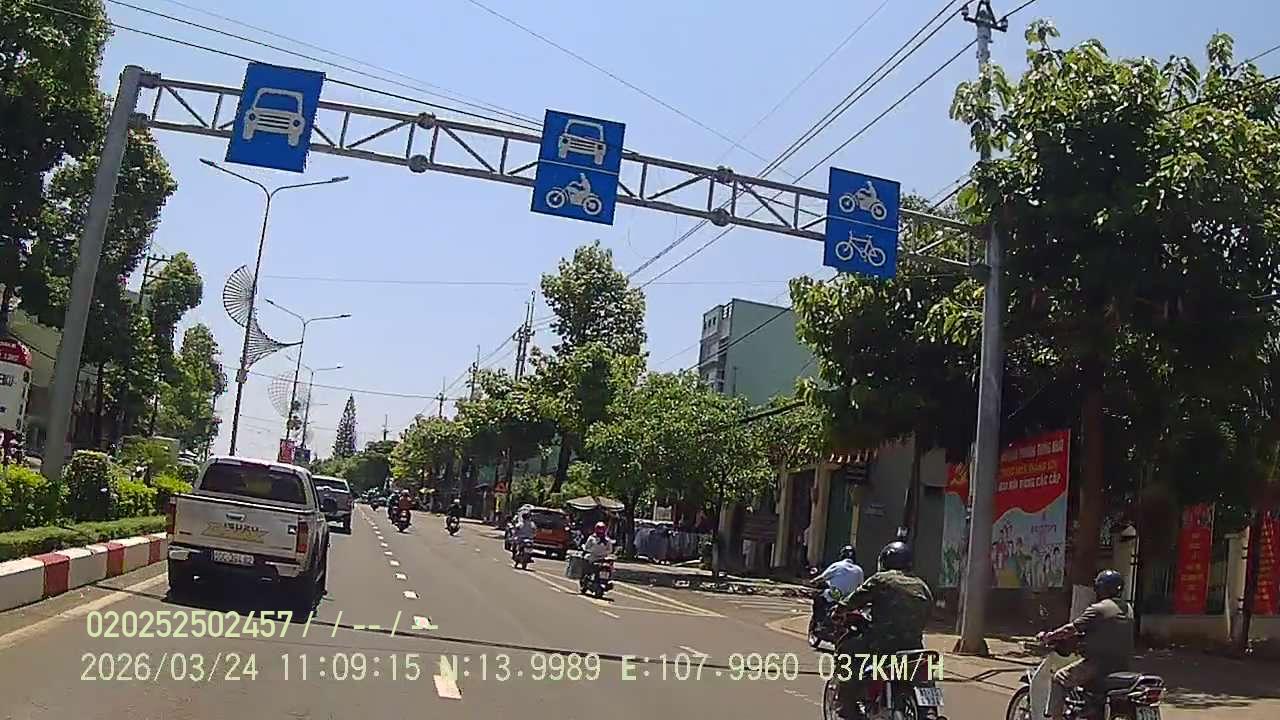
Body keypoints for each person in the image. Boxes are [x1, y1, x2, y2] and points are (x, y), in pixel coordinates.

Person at [833, 540, 933, 718]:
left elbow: (853, 600)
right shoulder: (922, 585)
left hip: (882, 644)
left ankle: (846, 707)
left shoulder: (881, 579)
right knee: (924, 675)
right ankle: (930, 710)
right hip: (914, 646)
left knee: (847, 652)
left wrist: (838, 611)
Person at [1041, 570, 1134, 720]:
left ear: (1100, 589)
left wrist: (1049, 636)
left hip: (1097, 665)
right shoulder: (1128, 609)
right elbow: (1109, 631)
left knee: (1059, 678)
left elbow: (1069, 629)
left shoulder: (1098, 609)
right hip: (1122, 665)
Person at [809, 545, 865, 634]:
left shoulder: (837, 565)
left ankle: (819, 622)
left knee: (818, 598)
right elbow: (861, 585)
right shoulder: (859, 570)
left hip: (835, 596)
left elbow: (822, 577)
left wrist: (813, 581)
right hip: (850, 599)